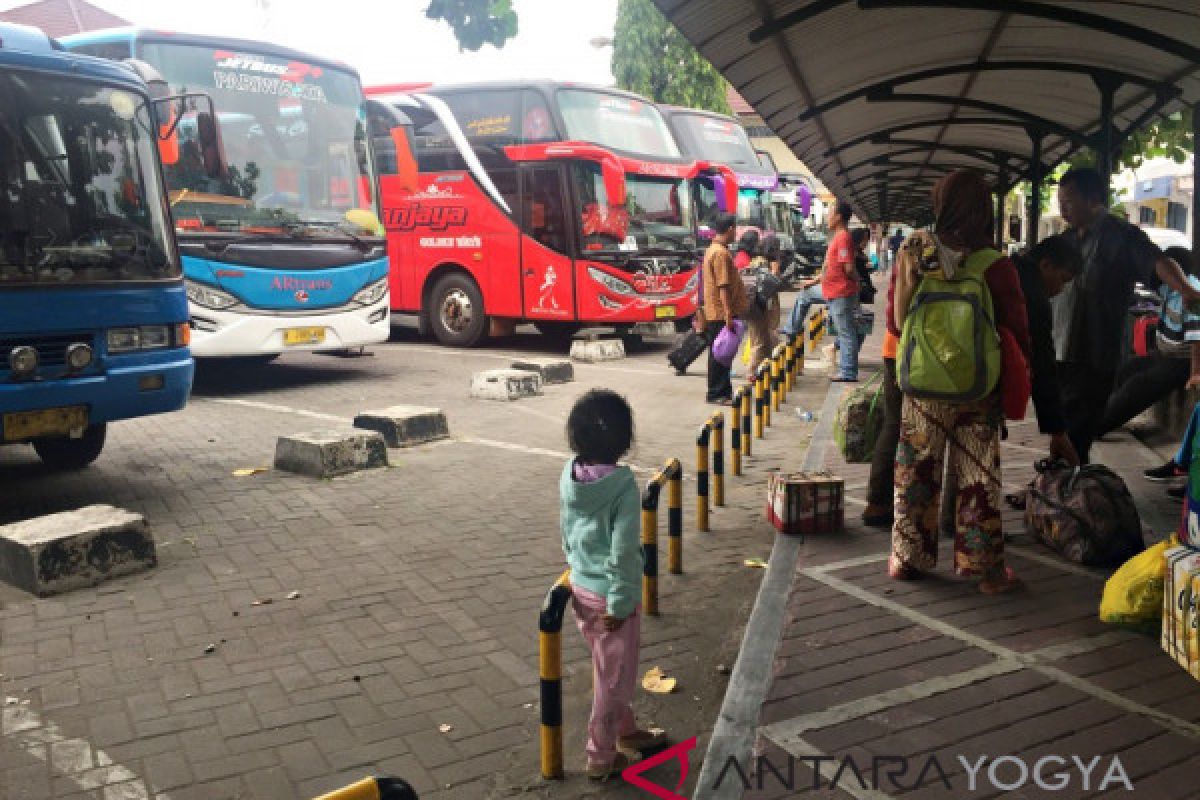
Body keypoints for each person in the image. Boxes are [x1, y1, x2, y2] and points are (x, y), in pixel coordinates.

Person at [889, 169, 1030, 595]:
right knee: (978, 477)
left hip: (922, 388)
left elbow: (897, 323)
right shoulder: (996, 264)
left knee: (915, 473)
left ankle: (907, 559)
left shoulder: (913, 250)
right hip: (977, 389)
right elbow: (1017, 333)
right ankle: (985, 570)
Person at [1051, 166, 1200, 464]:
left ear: (1093, 199)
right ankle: (1057, 486)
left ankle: (1066, 491)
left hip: (1095, 352)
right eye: (1060, 201)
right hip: (1059, 349)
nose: (1062, 208)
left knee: (1079, 428)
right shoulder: (1065, 240)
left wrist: (1184, 288)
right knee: (1062, 425)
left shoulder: (1121, 236)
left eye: (1068, 201)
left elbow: (1157, 261)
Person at [560, 389, 666, 780]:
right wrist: (620, 604)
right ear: (623, 440)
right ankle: (600, 756)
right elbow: (623, 552)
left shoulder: (570, 474)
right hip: (611, 598)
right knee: (612, 678)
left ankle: (626, 731)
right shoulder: (622, 485)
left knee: (610, 670)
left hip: (581, 589)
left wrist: (574, 566)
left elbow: (566, 528)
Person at [1103, 246, 1200, 444]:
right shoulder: (1169, 288)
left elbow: (1197, 339)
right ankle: (1101, 412)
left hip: (1181, 361)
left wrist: (1195, 373)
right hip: (1164, 353)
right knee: (1125, 370)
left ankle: (1099, 425)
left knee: (1139, 386)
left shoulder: (1191, 293)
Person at [1013, 234, 1085, 466]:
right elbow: (1042, 362)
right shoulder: (1032, 297)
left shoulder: (1006, 268)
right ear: (1045, 264)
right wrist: (1057, 430)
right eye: (1063, 279)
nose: (1062, 289)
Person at [698, 212, 750, 404]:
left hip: (716, 311)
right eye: (735, 229)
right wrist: (728, 313)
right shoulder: (720, 253)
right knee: (720, 355)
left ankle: (722, 391)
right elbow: (723, 286)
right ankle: (716, 393)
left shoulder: (714, 249)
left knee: (721, 353)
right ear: (730, 229)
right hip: (720, 312)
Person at [822, 200, 861, 382]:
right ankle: (847, 370)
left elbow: (848, 268)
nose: (827, 217)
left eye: (830, 213)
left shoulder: (843, 237)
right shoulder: (839, 237)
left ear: (838, 217)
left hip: (841, 292)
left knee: (846, 333)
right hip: (835, 291)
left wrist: (857, 280)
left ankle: (848, 372)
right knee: (847, 332)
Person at [743, 234, 783, 373]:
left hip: (751, 305)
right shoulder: (767, 263)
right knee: (761, 341)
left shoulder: (754, 261)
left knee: (757, 338)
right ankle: (752, 371)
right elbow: (773, 282)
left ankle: (764, 367)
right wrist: (776, 270)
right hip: (761, 305)